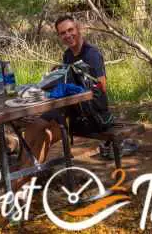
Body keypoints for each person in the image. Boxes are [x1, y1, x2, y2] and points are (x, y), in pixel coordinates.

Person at [16, 15, 107, 184]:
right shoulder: (67, 55)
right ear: (59, 36)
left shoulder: (92, 54)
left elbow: (102, 88)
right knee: (33, 128)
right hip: (66, 109)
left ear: (78, 29)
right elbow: (67, 79)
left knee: (44, 134)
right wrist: (58, 74)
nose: (68, 35)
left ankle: (19, 183)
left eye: (70, 30)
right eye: (63, 33)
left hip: (87, 114)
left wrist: (75, 87)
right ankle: (21, 176)